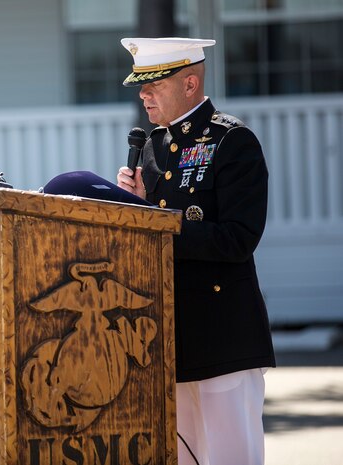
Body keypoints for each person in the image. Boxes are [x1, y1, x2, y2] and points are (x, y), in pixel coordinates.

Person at [116, 38, 275, 465]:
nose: (143, 94)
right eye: (141, 86)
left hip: (223, 337)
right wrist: (134, 207)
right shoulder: (152, 147)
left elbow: (238, 238)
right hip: (168, 339)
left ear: (190, 83)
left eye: (154, 85)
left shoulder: (232, 141)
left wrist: (156, 225)